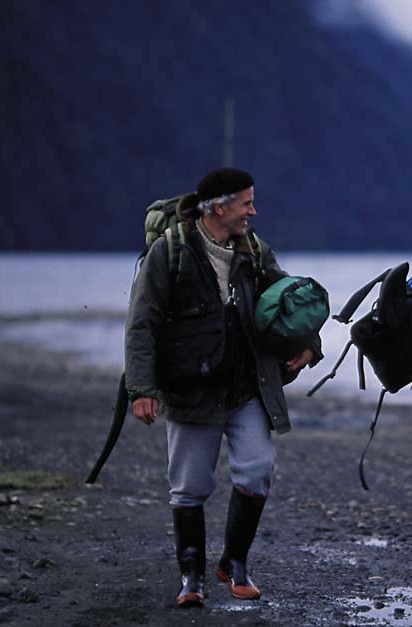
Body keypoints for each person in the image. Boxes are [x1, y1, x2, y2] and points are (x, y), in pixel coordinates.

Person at [124, 168, 321, 608]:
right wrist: (141, 388)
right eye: (246, 203)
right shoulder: (169, 252)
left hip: (248, 386)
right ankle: (190, 576)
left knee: (256, 471)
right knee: (189, 486)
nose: (253, 210)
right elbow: (142, 324)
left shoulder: (254, 249)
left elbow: (290, 300)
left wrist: (310, 344)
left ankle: (234, 563)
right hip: (191, 391)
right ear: (218, 207)